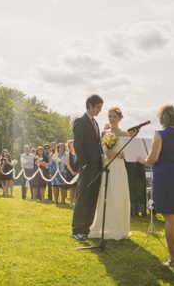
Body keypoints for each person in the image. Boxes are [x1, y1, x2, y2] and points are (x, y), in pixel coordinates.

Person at [144, 104, 174, 268]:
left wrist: (140, 160)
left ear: (163, 118)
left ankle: (172, 259)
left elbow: (152, 158)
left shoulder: (160, 134)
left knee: (170, 217)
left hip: (164, 175)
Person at [89, 107, 131, 240]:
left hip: (118, 167)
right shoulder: (105, 133)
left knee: (118, 195)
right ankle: (104, 227)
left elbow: (129, 155)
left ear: (119, 118)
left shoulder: (124, 134)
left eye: (114, 116)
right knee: (106, 194)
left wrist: (117, 154)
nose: (111, 119)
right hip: (106, 166)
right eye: (109, 116)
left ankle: (119, 229)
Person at [71, 94, 104, 242]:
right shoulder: (80, 121)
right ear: (90, 105)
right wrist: (83, 164)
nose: (99, 110)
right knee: (83, 197)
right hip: (87, 167)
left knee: (92, 197)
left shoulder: (95, 123)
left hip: (97, 166)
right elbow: (77, 144)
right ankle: (76, 229)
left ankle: (86, 228)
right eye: (98, 107)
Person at [65, 140, 78, 207]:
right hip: (71, 172)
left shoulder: (78, 152)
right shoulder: (68, 153)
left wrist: (77, 172)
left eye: (72, 145)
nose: (71, 146)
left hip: (78, 173)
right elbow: (67, 164)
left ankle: (76, 202)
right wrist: (72, 172)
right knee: (72, 188)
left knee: (77, 188)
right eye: (70, 145)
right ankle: (70, 202)